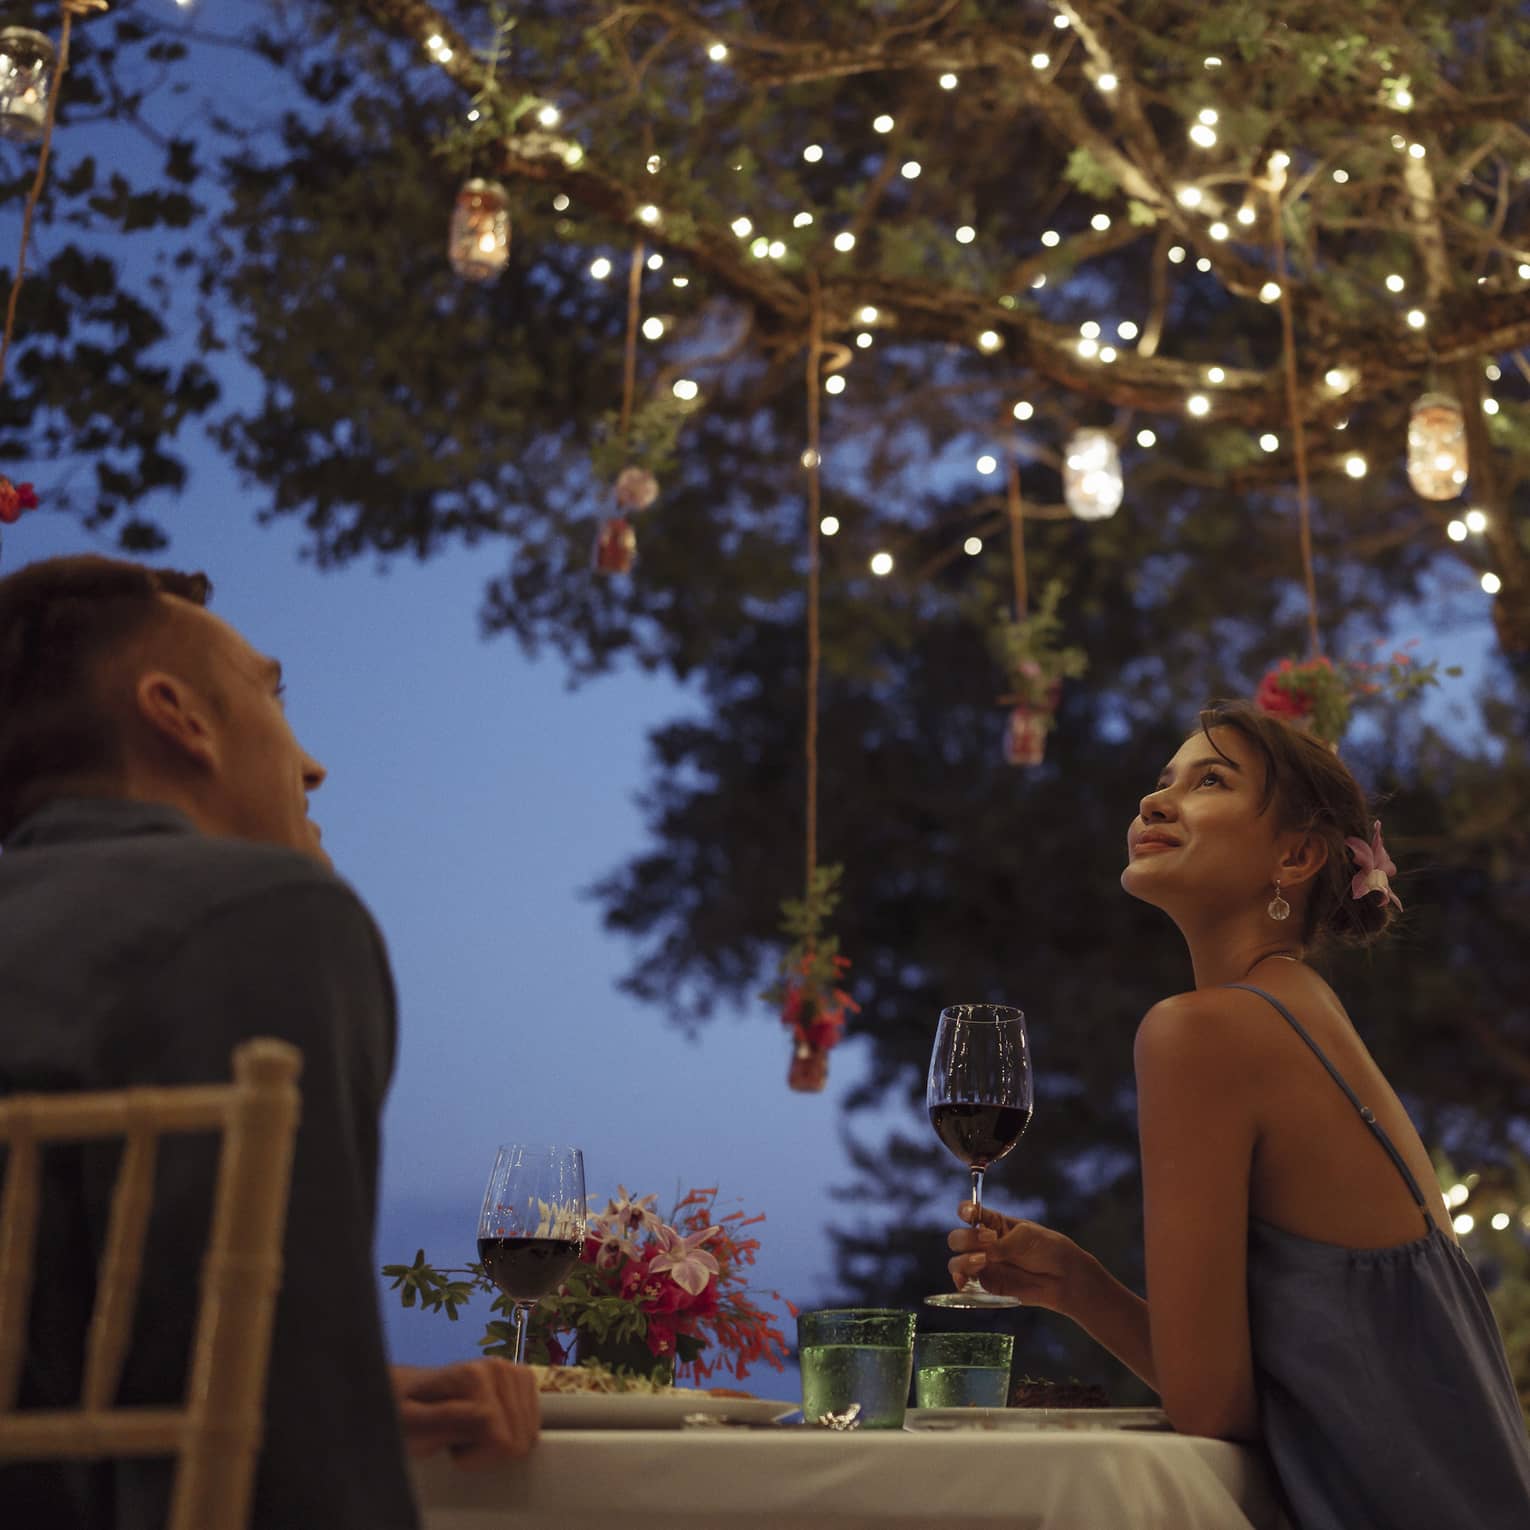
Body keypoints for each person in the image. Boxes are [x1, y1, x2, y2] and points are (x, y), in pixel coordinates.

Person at [0, 555, 538, 1530]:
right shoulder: (257, 915)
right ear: (179, 716)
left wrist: (355, 1391)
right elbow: (291, 1466)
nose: (312, 763)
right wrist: (315, 1405)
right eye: (271, 695)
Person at [947, 700, 1530, 1528]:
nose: (1155, 802)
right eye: (1162, 782)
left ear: (1295, 855)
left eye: (1209, 781)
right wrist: (1078, 1285)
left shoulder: (1203, 1032)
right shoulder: (1303, 1009)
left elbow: (1212, 1411)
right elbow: (1289, 1400)